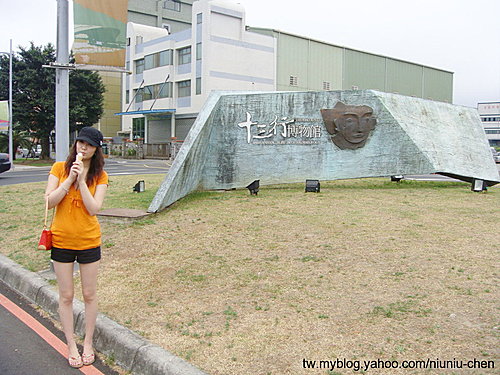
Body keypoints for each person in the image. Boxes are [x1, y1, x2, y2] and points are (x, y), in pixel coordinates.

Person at [44, 127, 108, 368]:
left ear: (96, 149)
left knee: (89, 295)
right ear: (76, 143)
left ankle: (88, 343)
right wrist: (69, 179)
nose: (84, 147)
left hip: (89, 241)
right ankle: (71, 344)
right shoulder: (59, 168)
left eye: (90, 145)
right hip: (61, 240)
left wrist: (82, 181)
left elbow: (94, 208)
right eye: (81, 142)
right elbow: (48, 202)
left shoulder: (100, 175)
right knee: (66, 296)